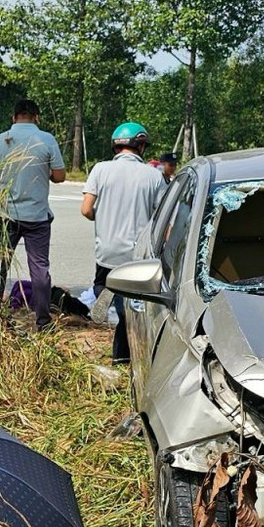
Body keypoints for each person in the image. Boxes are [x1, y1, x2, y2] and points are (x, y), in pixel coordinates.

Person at [83, 122, 167, 363]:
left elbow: (86, 209)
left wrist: (106, 218)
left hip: (107, 252)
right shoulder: (154, 176)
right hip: (136, 256)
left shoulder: (100, 169)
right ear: (140, 145)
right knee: (130, 311)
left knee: (102, 283)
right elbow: (163, 220)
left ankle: (107, 294)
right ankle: (122, 357)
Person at [0, 99, 67, 331]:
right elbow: (60, 176)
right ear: (36, 117)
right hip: (37, 217)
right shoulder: (47, 139)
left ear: (14, 117)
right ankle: (42, 321)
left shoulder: (1, 140)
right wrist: (45, 173)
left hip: (6, 215)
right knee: (39, 268)